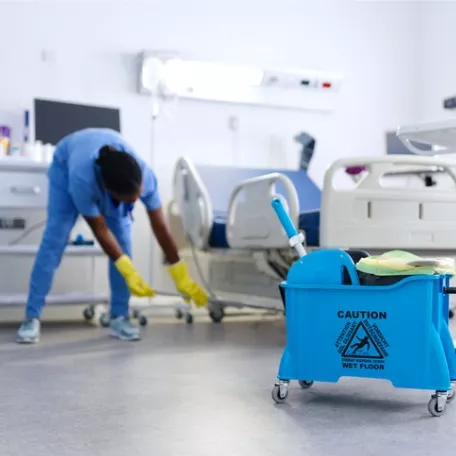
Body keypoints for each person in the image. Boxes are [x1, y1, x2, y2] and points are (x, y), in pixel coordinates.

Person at [16, 128, 208, 343]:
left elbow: (161, 227)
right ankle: (31, 317)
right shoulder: (82, 178)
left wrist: (180, 274)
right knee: (54, 241)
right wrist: (129, 271)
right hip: (66, 164)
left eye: (136, 199)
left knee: (124, 245)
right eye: (127, 201)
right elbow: (100, 229)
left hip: (110, 173)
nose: (133, 204)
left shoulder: (144, 176)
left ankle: (119, 316)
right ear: (107, 191)